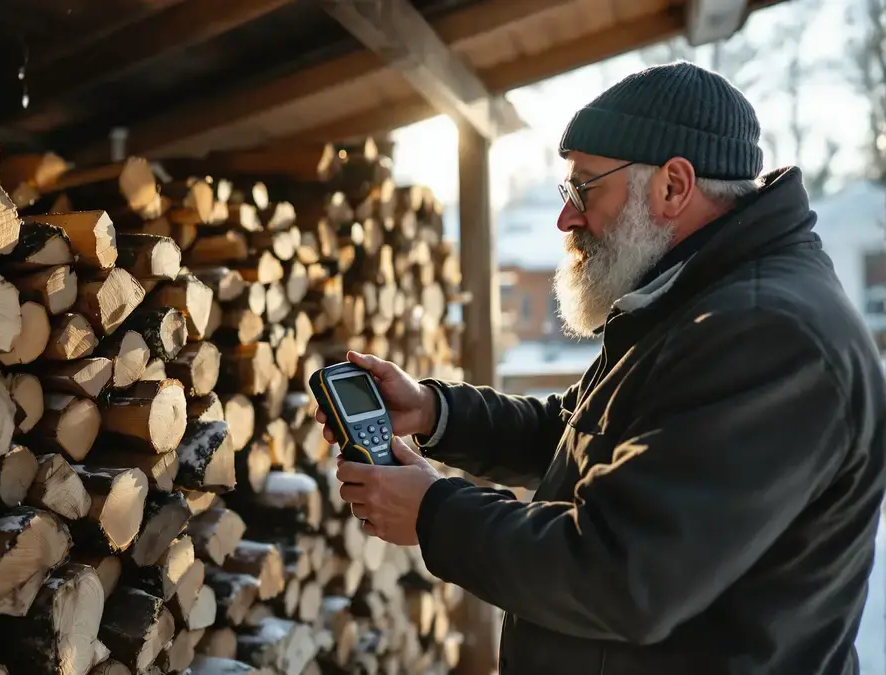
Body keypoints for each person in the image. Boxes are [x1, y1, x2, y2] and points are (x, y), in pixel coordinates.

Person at [316, 61, 886, 675]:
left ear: (673, 185)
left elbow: (626, 574)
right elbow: (585, 439)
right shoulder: (698, 303)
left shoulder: (765, 335)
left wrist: (435, 515)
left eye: (584, 187)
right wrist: (436, 413)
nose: (567, 218)